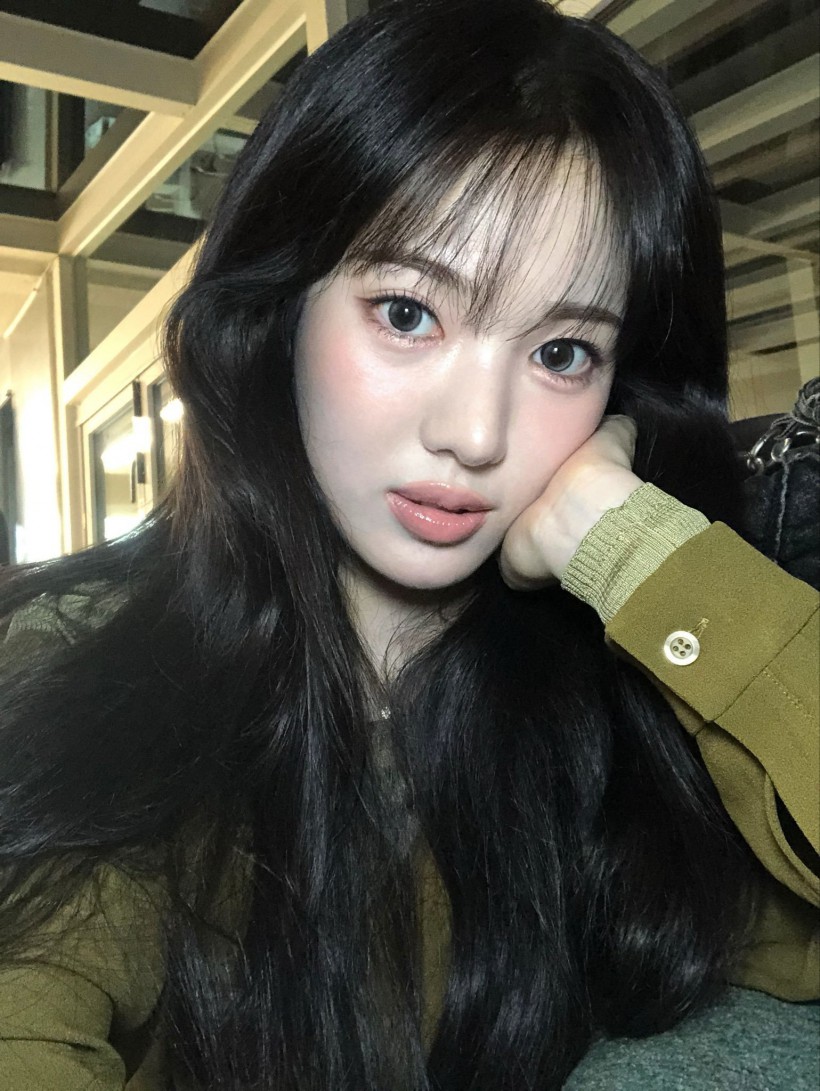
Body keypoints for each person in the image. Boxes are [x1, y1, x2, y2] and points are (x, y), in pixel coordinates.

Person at [0, 2, 817, 1089]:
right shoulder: (91, 664)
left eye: (562, 352)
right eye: (406, 312)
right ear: (281, 309)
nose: (474, 433)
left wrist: (631, 548)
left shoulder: (597, 690)